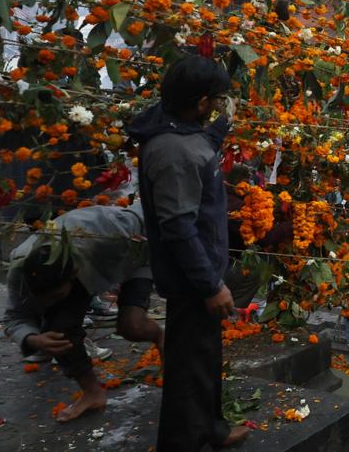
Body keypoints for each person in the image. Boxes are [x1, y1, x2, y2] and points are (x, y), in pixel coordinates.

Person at [128, 55, 250, 450]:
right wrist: (210, 285)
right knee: (189, 366)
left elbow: (200, 147)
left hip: (199, 272)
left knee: (203, 358)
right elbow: (178, 228)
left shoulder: (179, 130)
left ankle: (210, 428)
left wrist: (222, 126)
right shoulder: (173, 152)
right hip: (191, 279)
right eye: (216, 100)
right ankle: (185, 441)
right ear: (200, 102)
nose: (217, 105)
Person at [3, 202, 163, 423]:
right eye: (44, 299)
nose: (49, 302)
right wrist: (33, 339)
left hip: (137, 255)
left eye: (56, 296)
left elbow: (146, 214)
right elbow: (14, 317)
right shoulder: (20, 269)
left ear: (73, 275)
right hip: (88, 270)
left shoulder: (109, 231)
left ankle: (161, 336)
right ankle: (92, 393)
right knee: (58, 332)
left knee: (132, 326)